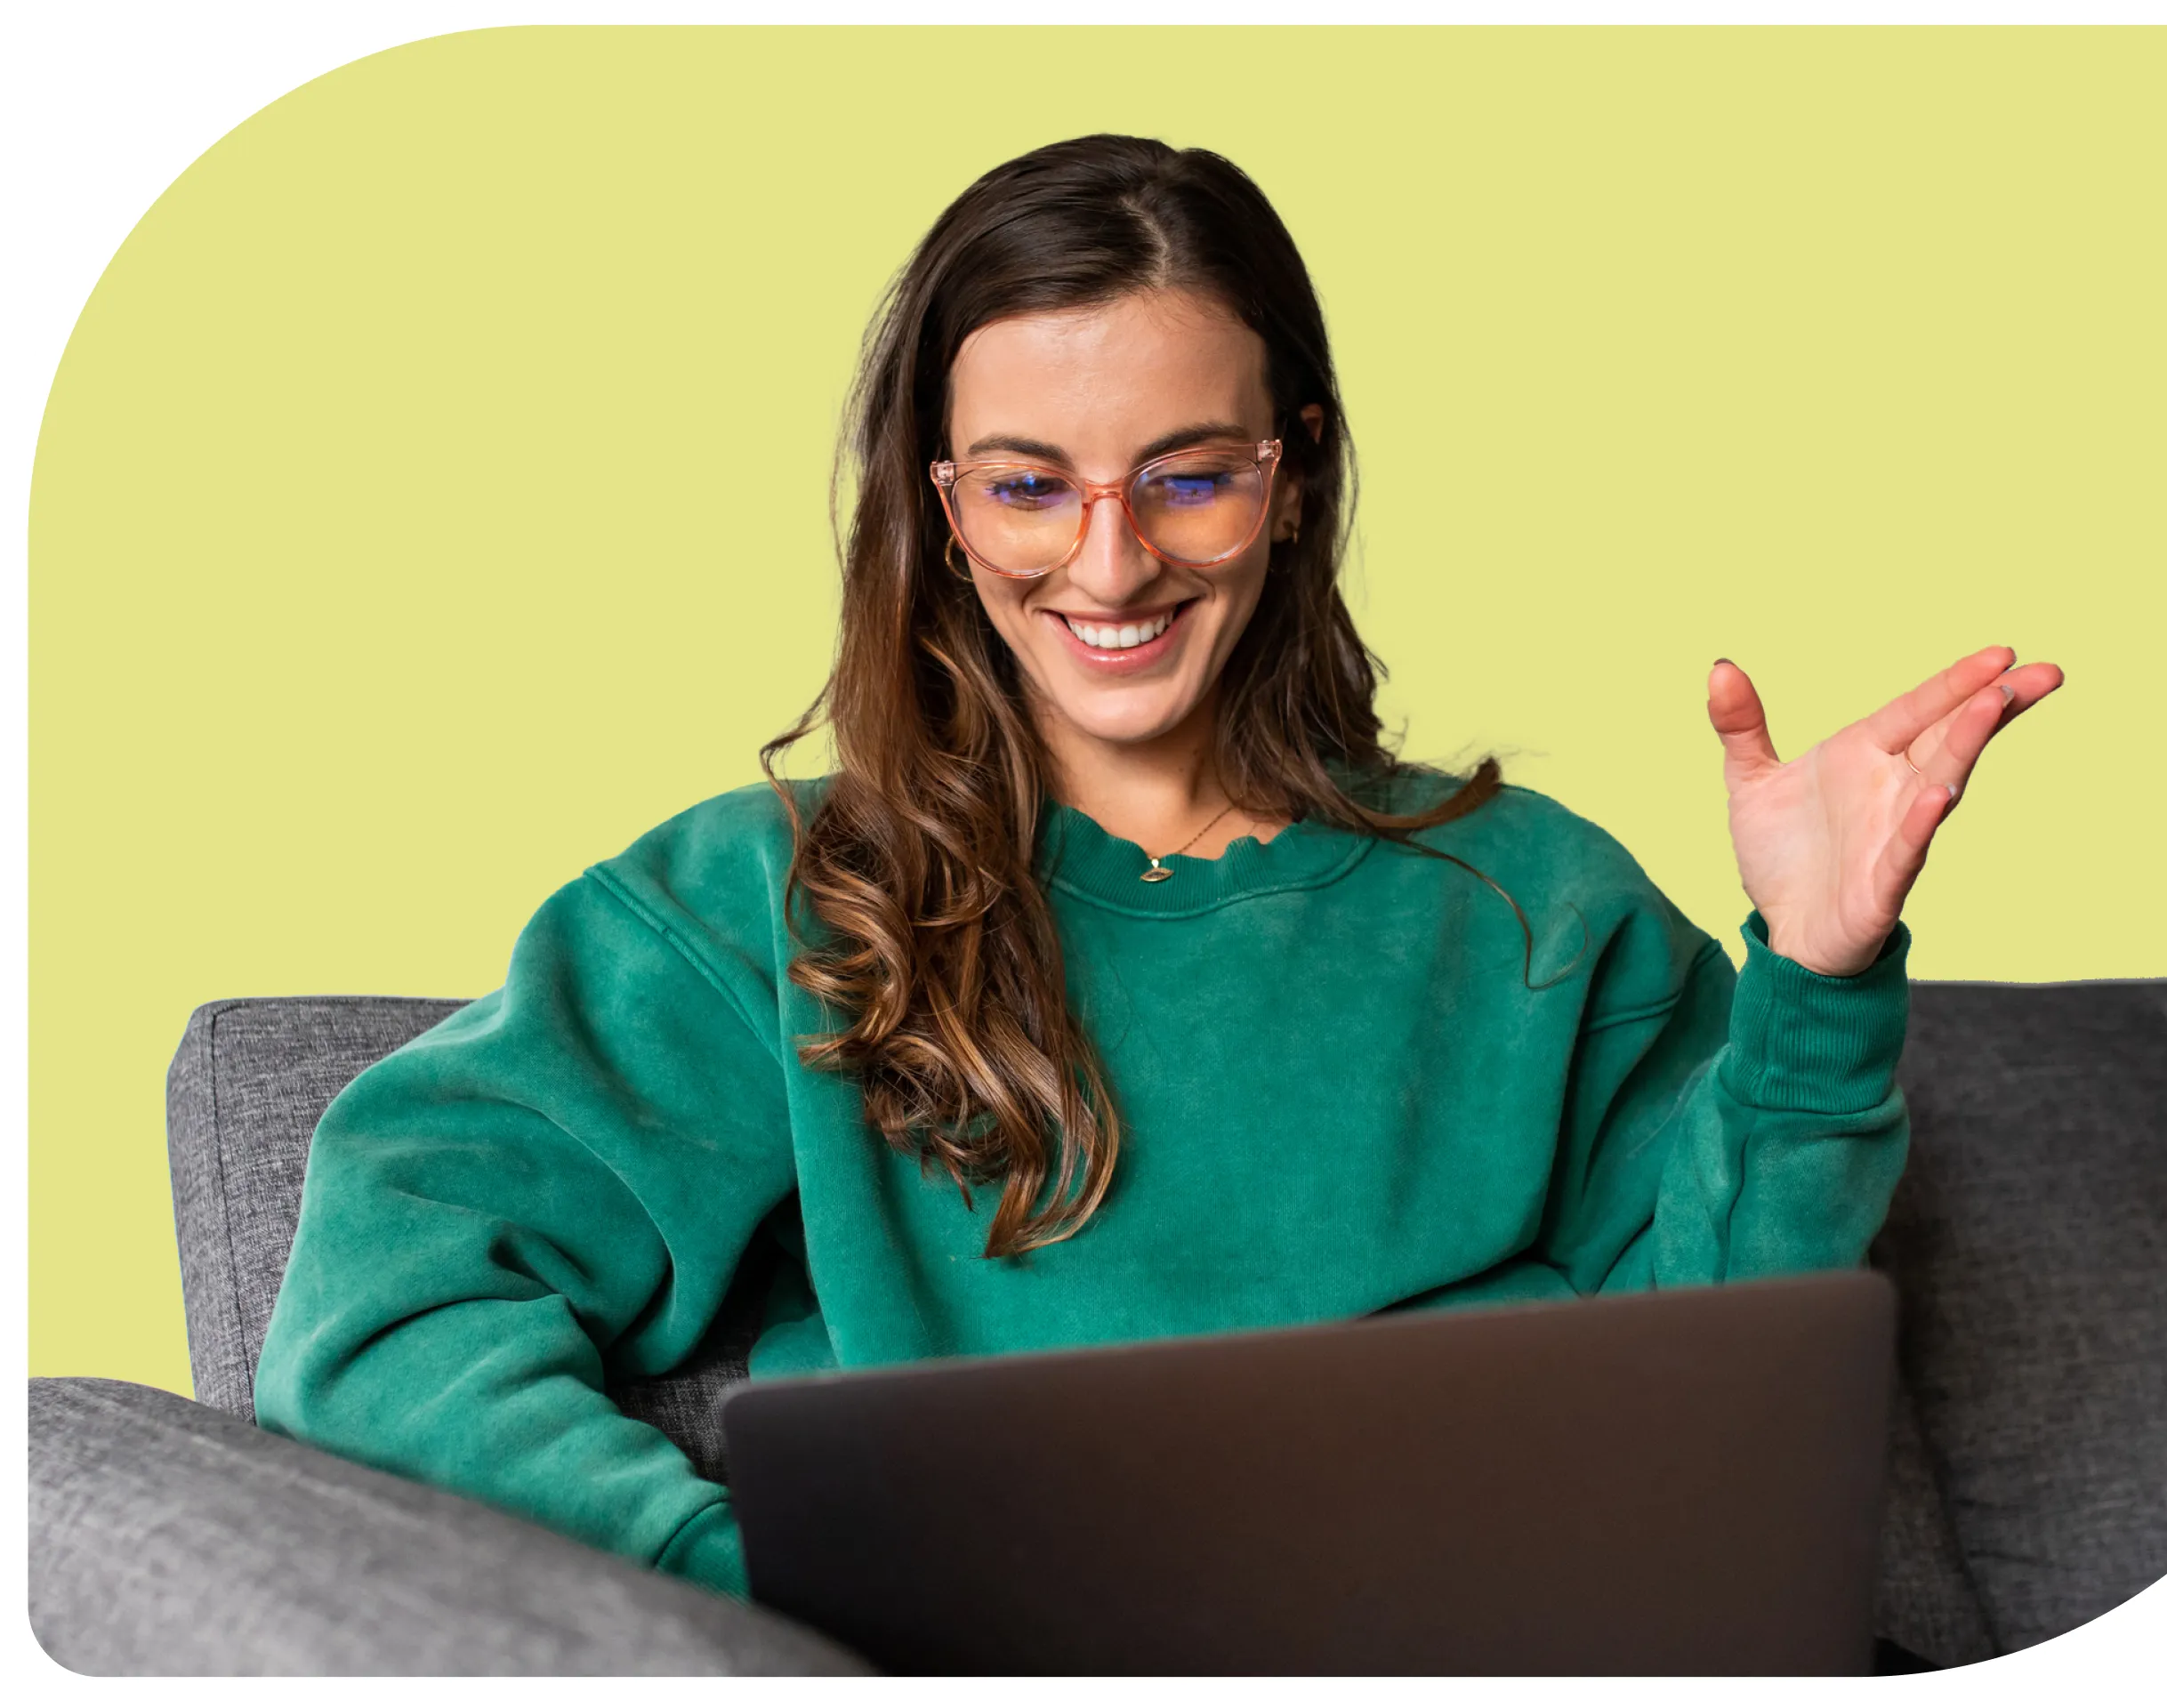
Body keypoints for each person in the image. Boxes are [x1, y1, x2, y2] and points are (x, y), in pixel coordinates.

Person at [252, 133, 2063, 1610]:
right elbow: (385, 1295)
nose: (1110, 568)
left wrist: (1818, 979)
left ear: (1291, 479)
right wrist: (728, 1580)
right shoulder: (775, 901)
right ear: (945, 507)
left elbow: (1725, 1393)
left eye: (1186, 477)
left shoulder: (1533, 906)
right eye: (1032, 487)